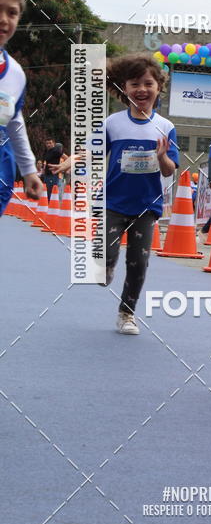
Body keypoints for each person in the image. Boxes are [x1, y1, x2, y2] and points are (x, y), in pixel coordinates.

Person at [52, 54, 179, 335]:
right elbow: (91, 150)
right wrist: (70, 161)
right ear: (124, 88)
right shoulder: (113, 123)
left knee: (139, 262)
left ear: (159, 87)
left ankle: (126, 314)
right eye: (135, 83)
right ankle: (105, 266)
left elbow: (170, 170)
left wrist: (161, 157)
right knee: (106, 256)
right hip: (113, 203)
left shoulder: (166, 127)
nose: (141, 89)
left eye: (148, 83)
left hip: (147, 206)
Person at [0, 0, 44, 216]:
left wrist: (28, 171)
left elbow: (14, 122)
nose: (4, 19)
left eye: (12, 12)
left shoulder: (15, 75)